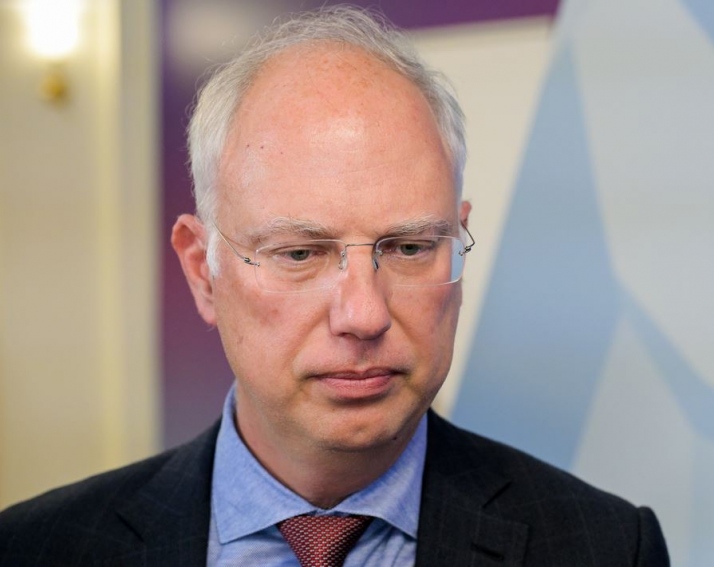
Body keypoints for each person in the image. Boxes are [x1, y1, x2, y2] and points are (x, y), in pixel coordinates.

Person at [0, 6, 669, 566]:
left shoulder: (604, 548)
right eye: (300, 253)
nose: (363, 314)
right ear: (203, 271)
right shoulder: (38, 548)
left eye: (410, 247)